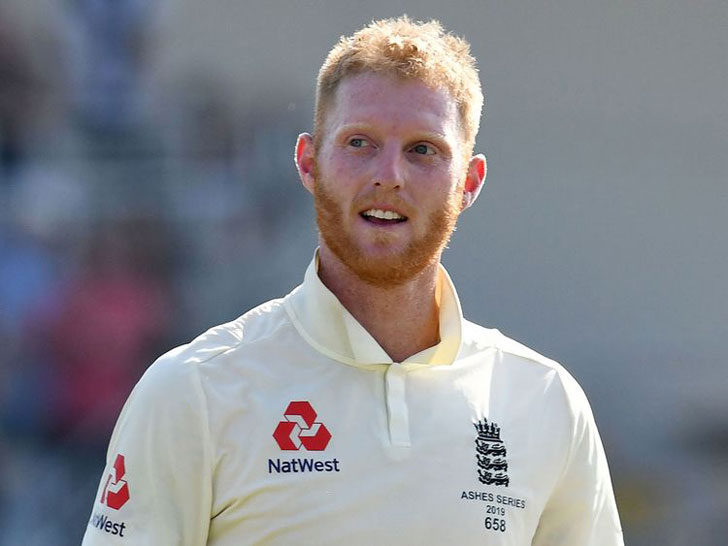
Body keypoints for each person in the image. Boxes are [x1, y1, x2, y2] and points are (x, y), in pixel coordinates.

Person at [82, 16, 623, 545]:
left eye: (423, 150)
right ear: (308, 163)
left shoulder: (546, 401)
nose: (389, 174)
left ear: (469, 183)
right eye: (360, 143)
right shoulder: (193, 391)